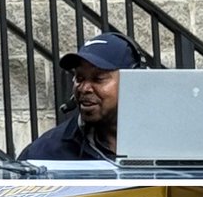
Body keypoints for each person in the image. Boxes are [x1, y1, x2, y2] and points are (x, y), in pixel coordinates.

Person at [18, 31, 142, 162]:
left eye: (98, 79)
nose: (84, 88)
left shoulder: (163, 140)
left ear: (133, 81)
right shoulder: (45, 152)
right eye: (79, 78)